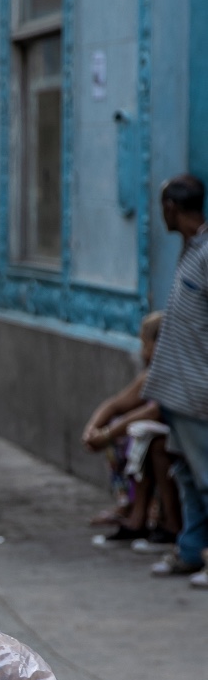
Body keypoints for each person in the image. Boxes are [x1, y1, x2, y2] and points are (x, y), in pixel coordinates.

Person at [145, 174, 208, 584]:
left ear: (172, 207)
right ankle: (190, 549)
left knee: (205, 475)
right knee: (186, 473)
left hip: (198, 387)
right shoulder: (192, 250)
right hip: (176, 388)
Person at [82, 312, 179, 545]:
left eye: (145, 344)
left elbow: (153, 411)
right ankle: (136, 514)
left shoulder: (174, 374)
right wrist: (92, 429)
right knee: (138, 440)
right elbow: (115, 404)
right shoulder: (150, 376)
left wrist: (106, 435)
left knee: (149, 445)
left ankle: (161, 521)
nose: (142, 351)